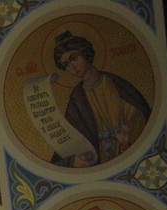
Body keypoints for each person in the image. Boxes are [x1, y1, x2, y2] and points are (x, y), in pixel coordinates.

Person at [51, 32, 151, 167]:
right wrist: (74, 160)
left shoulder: (117, 85)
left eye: (74, 58)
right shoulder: (77, 99)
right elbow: (68, 139)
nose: (72, 67)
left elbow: (139, 118)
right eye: (66, 65)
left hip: (127, 152)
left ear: (85, 54)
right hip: (98, 160)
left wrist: (127, 143)